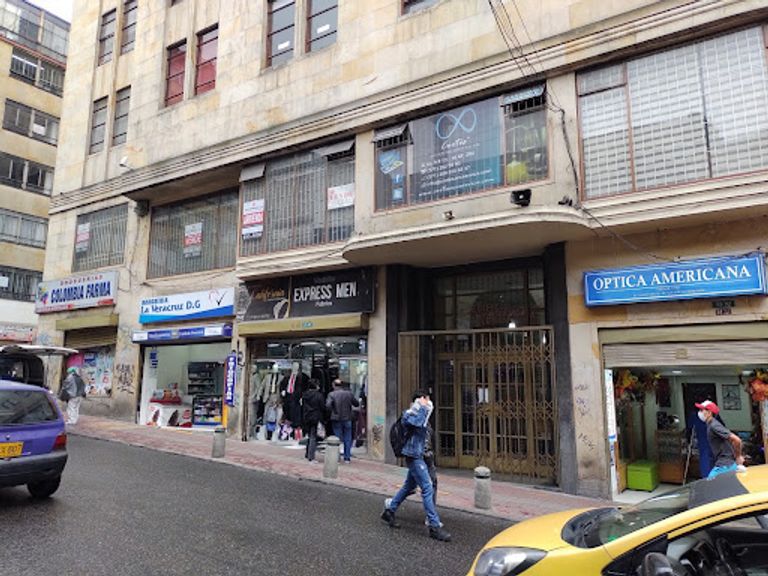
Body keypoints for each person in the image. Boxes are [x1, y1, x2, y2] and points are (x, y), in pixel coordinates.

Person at [381, 390, 451, 542]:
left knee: (408, 487)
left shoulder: (420, 414)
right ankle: (434, 526)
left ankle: (390, 510)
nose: (428, 402)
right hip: (413, 456)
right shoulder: (409, 415)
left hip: (420, 456)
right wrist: (424, 408)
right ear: (418, 401)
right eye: (425, 399)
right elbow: (417, 423)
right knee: (427, 487)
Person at [695, 400, 744, 479]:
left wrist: (738, 456)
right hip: (725, 464)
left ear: (709, 413)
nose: (699, 413)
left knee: (710, 483)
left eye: (701, 410)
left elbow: (736, 440)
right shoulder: (711, 425)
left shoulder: (714, 426)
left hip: (724, 465)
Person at [326, 378, 359, 463]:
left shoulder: (332, 394)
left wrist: (332, 412)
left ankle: (336, 457)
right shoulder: (349, 394)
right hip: (347, 418)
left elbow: (328, 406)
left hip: (336, 418)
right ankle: (347, 457)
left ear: (334, 385)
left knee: (337, 438)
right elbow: (356, 403)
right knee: (347, 437)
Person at [301, 379, 325, 463]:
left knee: (310, 436)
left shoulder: (305, 395)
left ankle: (307, 454)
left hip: (307, 416)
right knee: (313, 437)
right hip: (315, 417)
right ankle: (311, 457)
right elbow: (322, 407)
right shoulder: (319, 395)